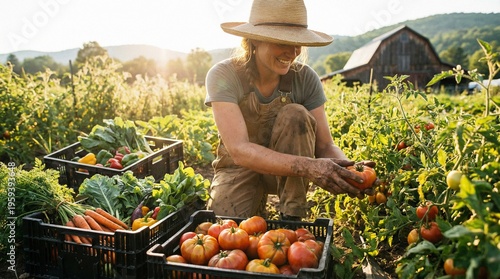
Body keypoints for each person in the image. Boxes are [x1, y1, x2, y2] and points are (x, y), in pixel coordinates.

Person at [204, 0, 376, 220]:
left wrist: (351, 171)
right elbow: (239, 150)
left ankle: (291, 218)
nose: (293, 51)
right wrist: (308, 166)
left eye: (298, 43)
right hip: (238, 169)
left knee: (295, 114)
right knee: (227, 228)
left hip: (290, 176)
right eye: (283, 42)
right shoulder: (224, 75)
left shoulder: (305, 78)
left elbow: (325, 145)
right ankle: (252, 201)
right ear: (255, 40)